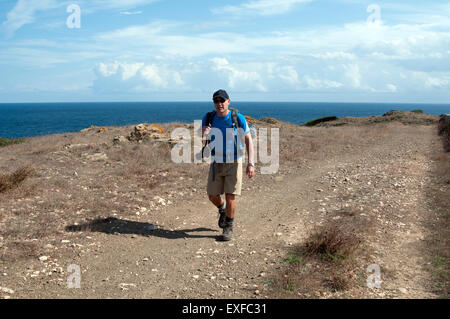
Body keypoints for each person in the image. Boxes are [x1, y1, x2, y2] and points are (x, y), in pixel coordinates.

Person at [202, 89, 255, 241]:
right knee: (213, 195)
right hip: (216, 161)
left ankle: (228, 227)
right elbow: (203, 137)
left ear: (228, 102)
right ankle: (222, 209)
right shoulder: (209, 117)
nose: (219, 103)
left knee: (230, 195)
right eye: (216, 101)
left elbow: (248, 140)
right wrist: (204, 132)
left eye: (222, 101)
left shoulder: (237, 118)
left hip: (234, 161)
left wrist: (251, 163)